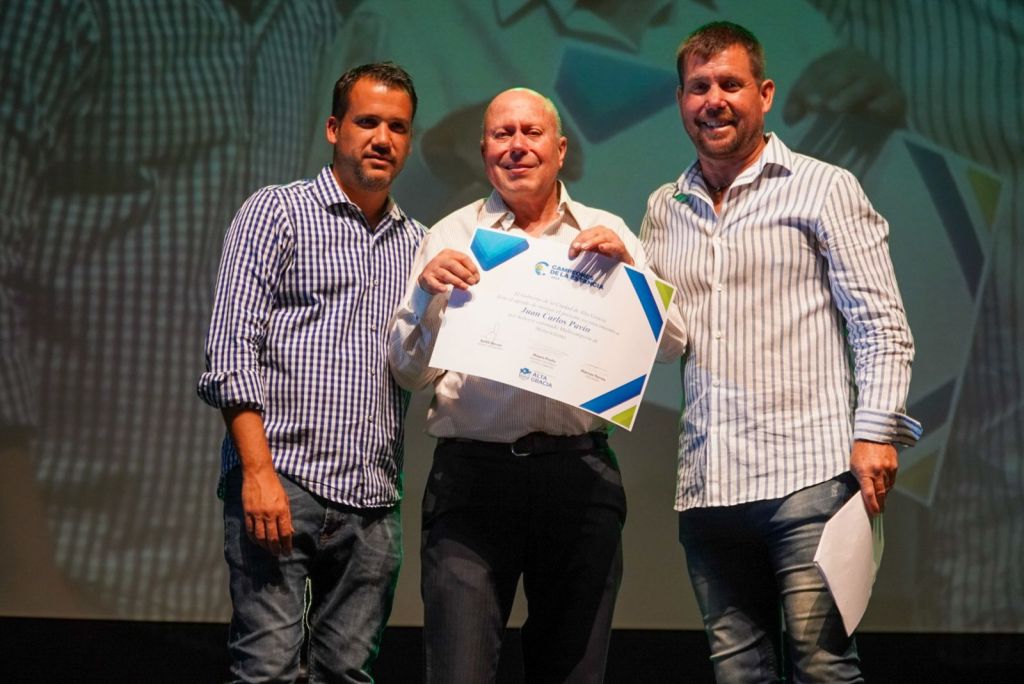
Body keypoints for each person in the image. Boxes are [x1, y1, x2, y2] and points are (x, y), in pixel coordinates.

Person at [640, 22, 922, 682]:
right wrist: (608, 279)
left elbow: (881, 323)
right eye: (699, 87)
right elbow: (663, 340)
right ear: (681, 100)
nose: (714, 100)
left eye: (730, 84)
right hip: (708, 485)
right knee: (739, 674)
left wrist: (876, 432)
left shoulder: (824, 187)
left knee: (821, 668)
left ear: (764, 94)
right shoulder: (663, 207)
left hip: (809, 478)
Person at [388, 88, 667, 683]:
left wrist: (632, 281)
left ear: (560, 149)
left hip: (578, 476)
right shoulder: (451, 235)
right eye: (502, 134)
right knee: (459, 672)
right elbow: (410, 374)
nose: (517, 146)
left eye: (531, 133)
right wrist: (428, 297)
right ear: (484, 151)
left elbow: (671, 344)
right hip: (473, 480)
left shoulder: (609, 232)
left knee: (572, 674)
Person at [197, 62, 423, 683]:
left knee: (346, 676)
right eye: (367, 121)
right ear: (333, 128)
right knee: (266, 672)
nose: (382, 138)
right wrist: (257, 472)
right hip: (283, 481)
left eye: (398, 127)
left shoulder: (420, 244)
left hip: (373, 501)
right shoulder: (277, 212)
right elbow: (230, 351)